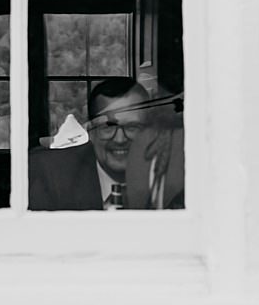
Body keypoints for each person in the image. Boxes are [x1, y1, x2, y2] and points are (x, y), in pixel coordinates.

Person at [28, 78, 182, 210]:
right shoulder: (50, 175)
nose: (120, 139)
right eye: (108, 127)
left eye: (132, 127)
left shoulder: (176, 175)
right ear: (91, 132)